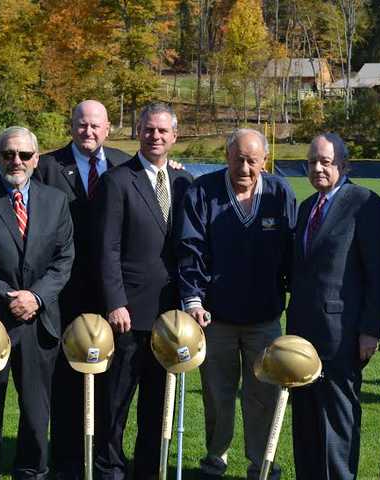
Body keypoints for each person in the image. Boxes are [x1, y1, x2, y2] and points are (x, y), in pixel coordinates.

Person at [176, 128, 296, 480]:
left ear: (264, 160)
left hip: (264, 316)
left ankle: (261, 463)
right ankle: (216, 459)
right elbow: (190, 248)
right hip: (216, 319)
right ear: (226, 157)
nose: (244, 167)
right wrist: (193, 299)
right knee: (217, 393)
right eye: (238, 159)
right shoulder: (203, 191)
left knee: (264, 395)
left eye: (252, 160)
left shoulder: (279, 192)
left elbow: (292, 251)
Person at [0, 126, 74, 479]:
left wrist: (35, 297)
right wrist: (12, 297)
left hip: (39, 323)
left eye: (24, 155)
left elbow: (64, 259)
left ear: (36, 159)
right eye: (8, 154)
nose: (16, 161)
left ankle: (31, 471)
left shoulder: (56, 201)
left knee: (37, 411)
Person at [93, 102, 193, 480]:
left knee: (158, 405)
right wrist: (115, 301)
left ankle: (149, 470)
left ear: (174, 136)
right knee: (116, 401)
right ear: (139, 131)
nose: (156, 136)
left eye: (163, 131)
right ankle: (110, 469)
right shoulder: (118, 181)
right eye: (149, 130)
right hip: (129, 315)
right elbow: (107, 248)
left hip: (171, 317)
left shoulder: (185, 183)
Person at [34, 100, 129, 479]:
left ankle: (107, 458)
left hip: (113, 292)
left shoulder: (125, 164)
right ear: (71, 126)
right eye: (81, 125)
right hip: (63, 292)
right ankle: (67, 460)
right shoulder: (45, 167)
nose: (88, 132)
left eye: (95, 126)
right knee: (65, 381)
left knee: (112, 382)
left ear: (108, 128)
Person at [286, 133, 380, 480]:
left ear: (343, 165)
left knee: (338, 427)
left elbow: (377, 275)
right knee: (305, 424)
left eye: (325, 161)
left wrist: (370, 330)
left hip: (342, 338)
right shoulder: (305, 208)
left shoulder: (365, 204)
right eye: (312, 161)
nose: (317, 168)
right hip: (301, 337)